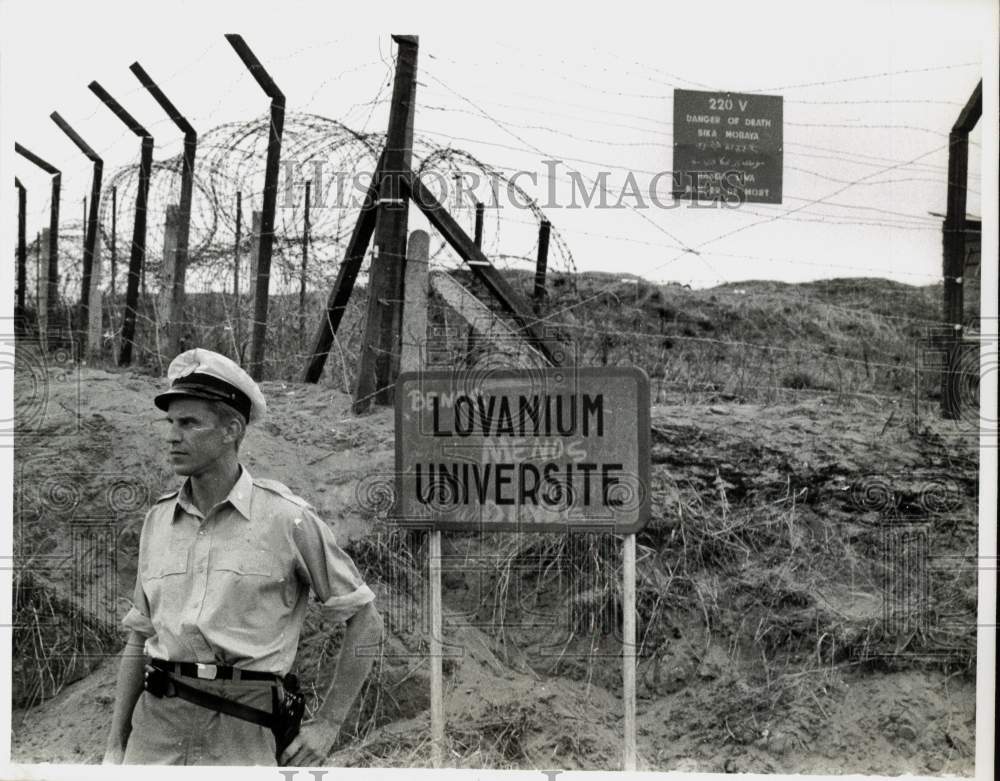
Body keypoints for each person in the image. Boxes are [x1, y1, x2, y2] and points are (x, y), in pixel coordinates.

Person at [102, 348, 382, 766]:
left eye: (189, 423)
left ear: (232, 429)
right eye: (171, 422)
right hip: (156, 729)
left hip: (243, 731)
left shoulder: (288, 520)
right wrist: (114, 745)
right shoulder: (158, 521)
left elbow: (366, 619)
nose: (172, 436)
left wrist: (327, 725)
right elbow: (139, 638)